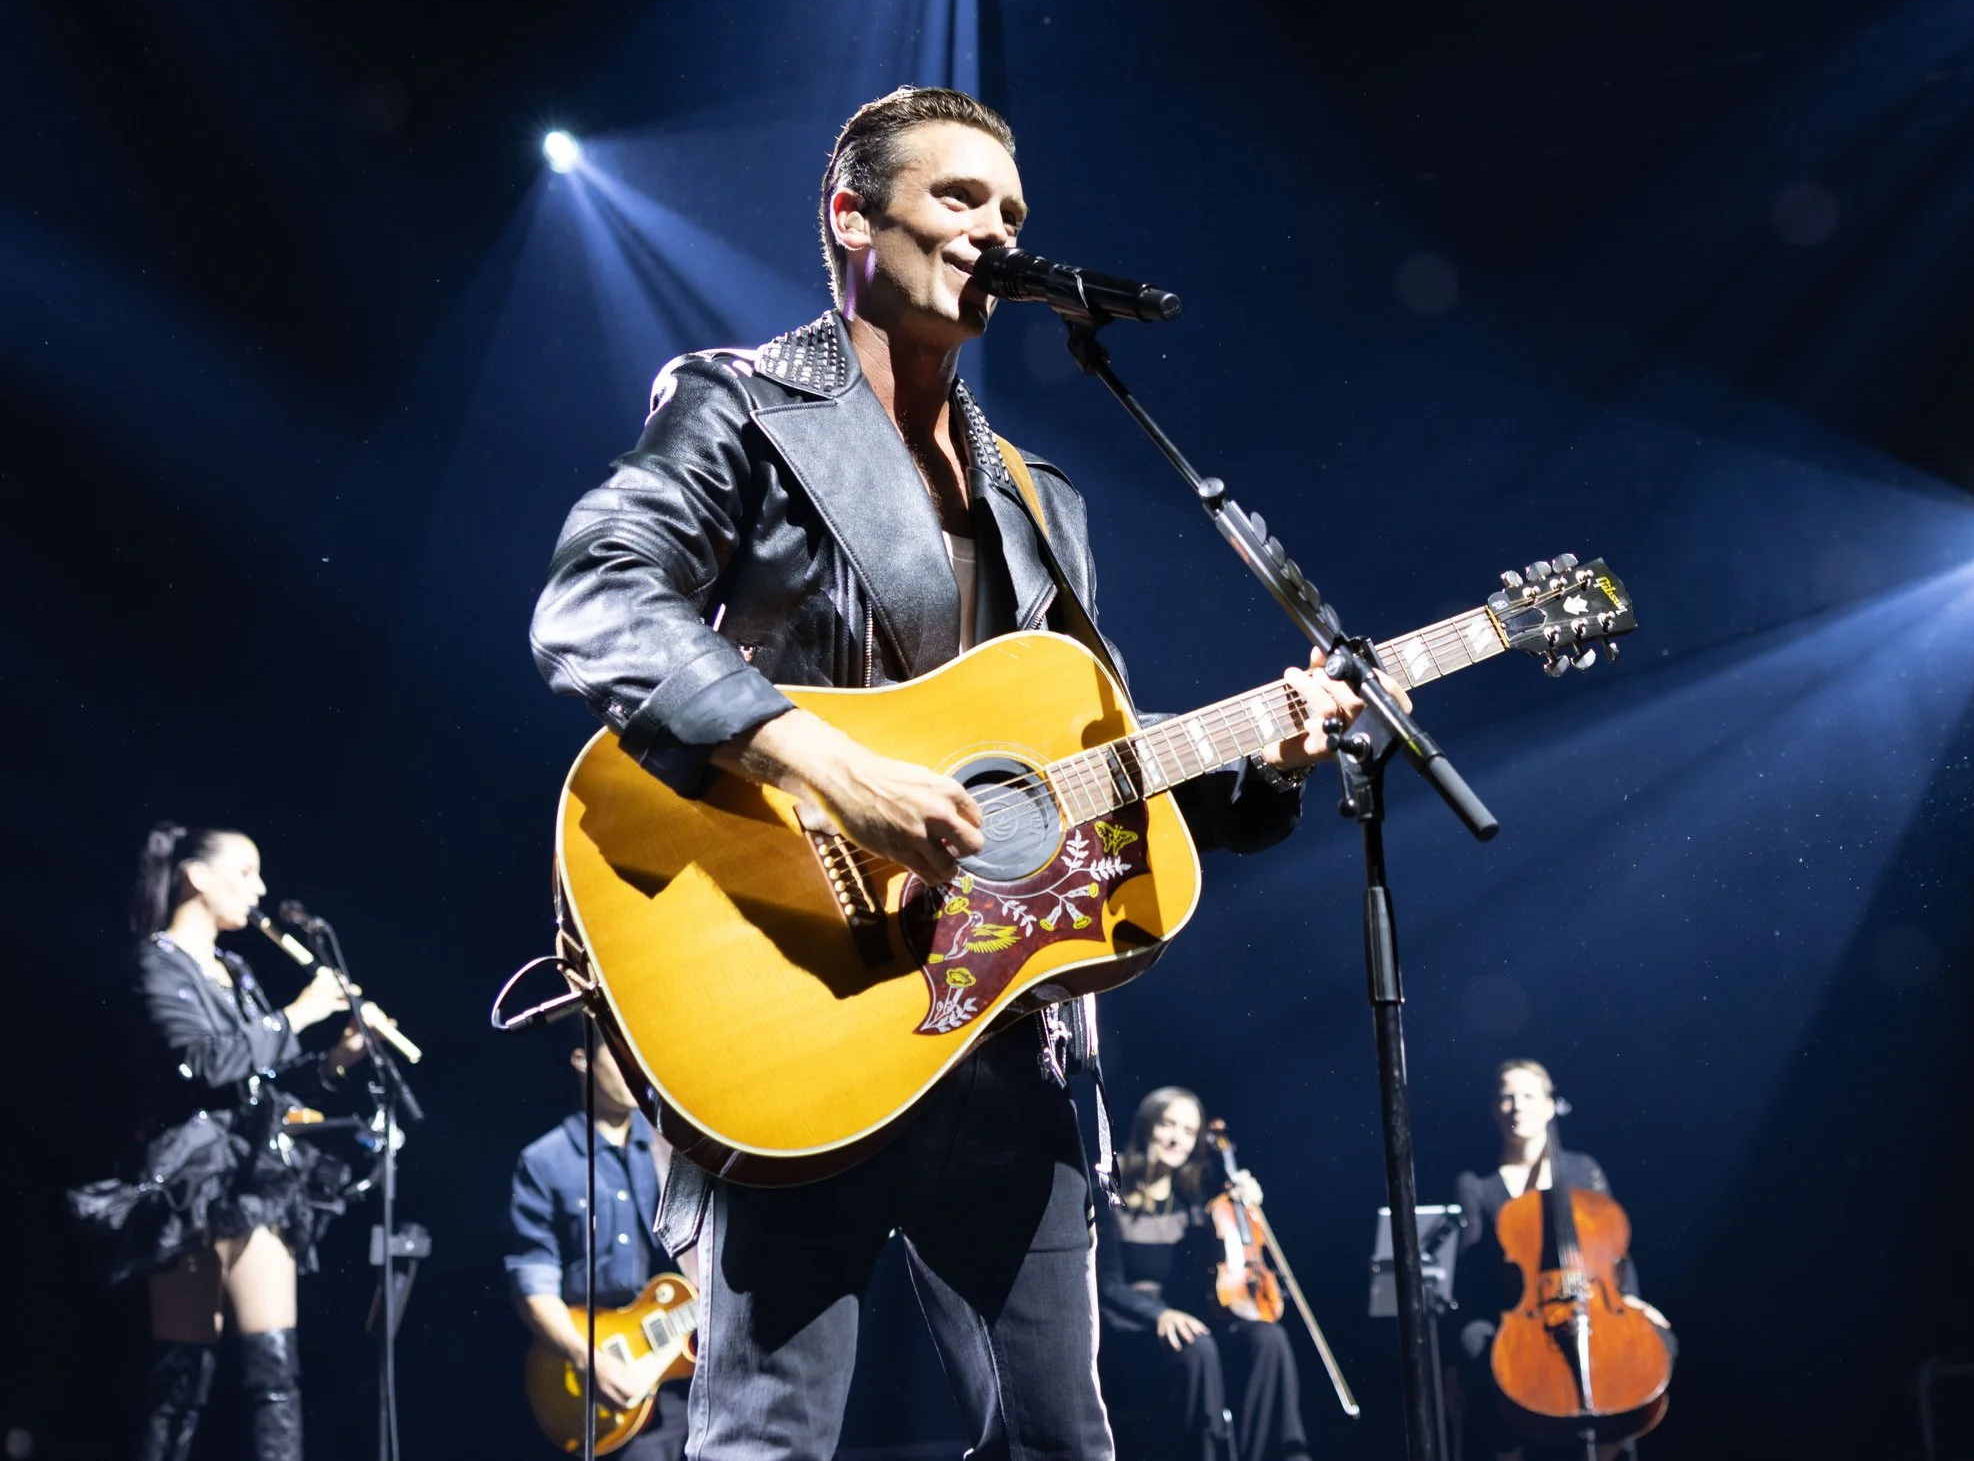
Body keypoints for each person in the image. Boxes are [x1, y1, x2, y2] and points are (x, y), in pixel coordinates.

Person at [528, 83, 1364, 1459]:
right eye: (960, 197)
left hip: (1003, 1027)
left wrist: (1260, 755)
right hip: (802, 1001)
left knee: (1065, 1439)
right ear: (852, 217)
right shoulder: (745, 406)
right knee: (768, 1438)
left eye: (1014, 210)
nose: (995, 228)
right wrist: (834, 769)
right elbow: (595, 597)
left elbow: (1089, 767)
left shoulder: (1039, 496)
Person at [68, 823, 376, 1461]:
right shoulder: (155, 960)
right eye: (245, 872)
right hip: (193, 1180)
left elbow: (259, 1074)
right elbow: (205, 1064)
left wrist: (337, 1058)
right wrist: (302, 1012)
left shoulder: (233, 968)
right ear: (196, 876)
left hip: (246, 1173)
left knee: (270, 1375)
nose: (259, 889)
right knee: (181, 1379)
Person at [1449, 1059, 1675, 1461]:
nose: (1516, 1106)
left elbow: (1612, 1249)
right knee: (1474, 1345)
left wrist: (1630, 1300)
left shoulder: (1582, 1168)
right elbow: (1472, 1272)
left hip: (1593, 1298)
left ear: (1550, 1106)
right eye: (1506, 1097)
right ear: (1493, 1108)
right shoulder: (1477, 1184)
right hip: (1520, 1307)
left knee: (1656, 1340)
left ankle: (1611, 1444)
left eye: (1528, 1096)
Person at [1096, 1086, 1310, 1461]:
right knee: (1198, 1349)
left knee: (1267, 1337)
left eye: (1188, 1131)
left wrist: (1246, 1208)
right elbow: (1106, 1283)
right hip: (1127, 1327)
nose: (1176, 1137)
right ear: (1148, 1126)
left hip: (1186, 1321)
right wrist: (1158, 1314)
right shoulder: (1111, 1191)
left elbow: (1211, 1273)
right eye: (1167, 1124)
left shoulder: (1194, 1202)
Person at [508, 1031, 688, 1459]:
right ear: (581, 1059)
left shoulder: (673, 1146)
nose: (633, 1068)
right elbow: (532, 1280)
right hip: (601, 1381)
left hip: (686, 1373)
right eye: (618, 1054)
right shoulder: (545, 1160)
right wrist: (587, 1358)